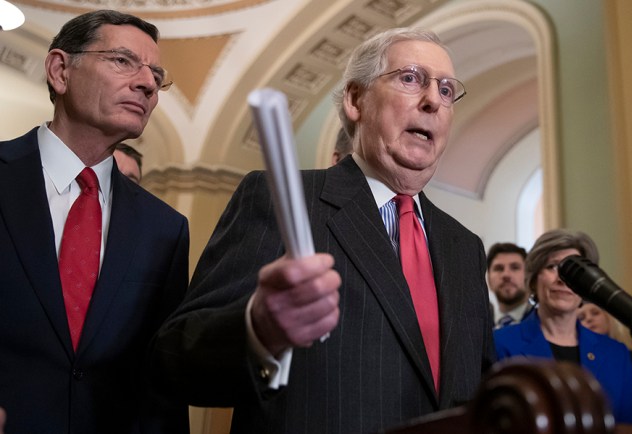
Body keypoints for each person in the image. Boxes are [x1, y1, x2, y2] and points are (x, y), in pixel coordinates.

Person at [150, 27, 495, 433]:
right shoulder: (280, 197)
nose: (432, 100)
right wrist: (258, 329)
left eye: (446, 90)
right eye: (410, 78)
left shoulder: (465, 246)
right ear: (355, 100)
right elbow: (176, 360)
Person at [0, 10, 189, 434]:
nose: (147, 83)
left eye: (156, 74)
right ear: (60, 70)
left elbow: (162, 383)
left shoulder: (166, 229)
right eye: (122, 61)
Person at [494, 229, 632, 425]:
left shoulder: (617, 354)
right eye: (553, 267)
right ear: (533, 280)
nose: (562, 279)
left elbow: (631, 426)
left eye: (573, 270)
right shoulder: (499, 343)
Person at [487, 242, 532, 328]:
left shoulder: (545, 325)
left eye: (515, 267)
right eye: (498, 268)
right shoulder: (476, 327)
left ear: (529, 275)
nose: (506, 275)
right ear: (488, 279)